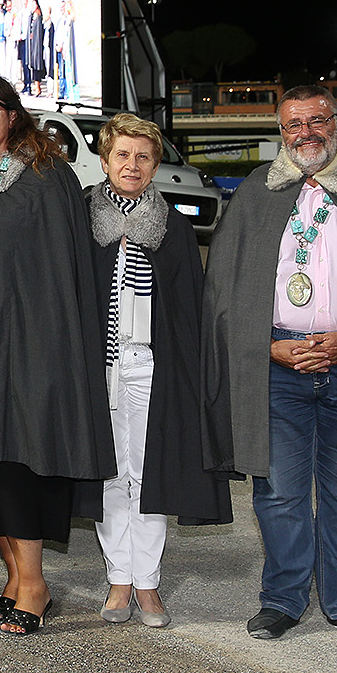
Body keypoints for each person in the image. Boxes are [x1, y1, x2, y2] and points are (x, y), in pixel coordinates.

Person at [203, 83, 337, 644]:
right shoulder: (258, 193)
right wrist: (264, 344)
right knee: (280, 491)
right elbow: (226, 290)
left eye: (317, 121)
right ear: (280, 130)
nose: (305, 133)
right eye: (293, 125)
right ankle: (282, 600)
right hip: (278, 363)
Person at [0, 76, 111, 636]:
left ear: (13, 115)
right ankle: (15, 577)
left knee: (24, 452)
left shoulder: (46, 178)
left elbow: (59, 269)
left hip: (32, 339)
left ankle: (36, 582)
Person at [85, 113, 228, 628]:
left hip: (150, 366)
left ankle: (148, 583)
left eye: (143, 156)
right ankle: (118, 579)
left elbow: (187, 307)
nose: (132, 164)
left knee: (149, 473)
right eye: (122, 155)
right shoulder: (84, 221)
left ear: (155, 164)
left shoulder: (174, 228)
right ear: (105, 161)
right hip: (97, 368)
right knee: (108, 472)